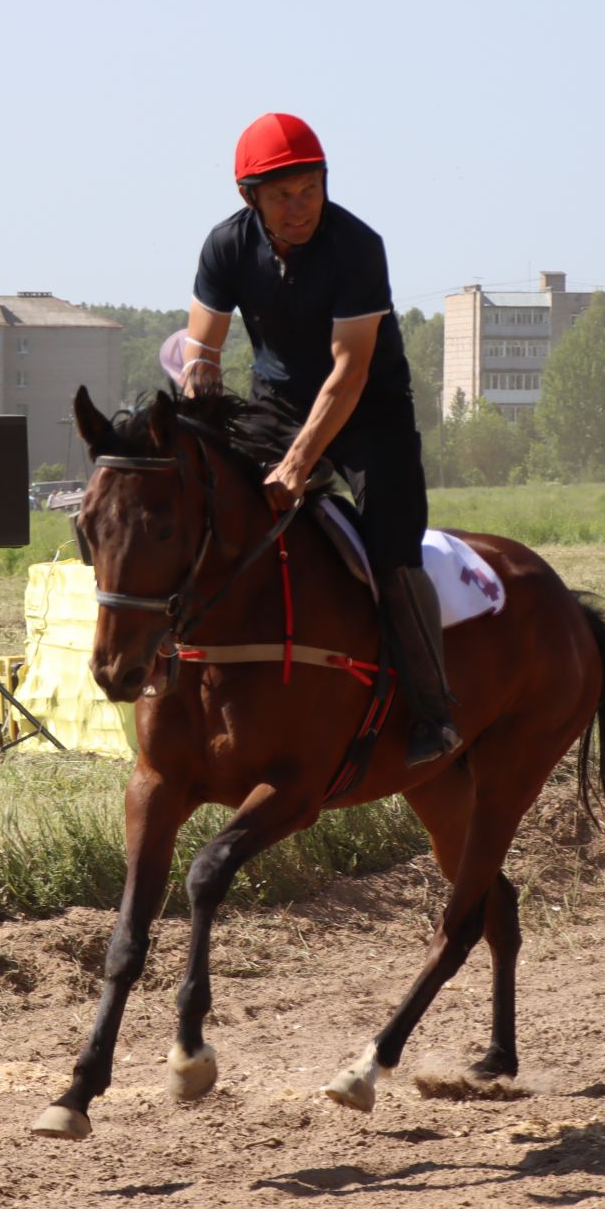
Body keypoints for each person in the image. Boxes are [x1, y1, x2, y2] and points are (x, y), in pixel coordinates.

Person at [183, 112, 460, 767]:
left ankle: (433, 709)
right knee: (219, 514)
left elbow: (350, 372)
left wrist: (298, 463)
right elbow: (201, 352)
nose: (299, 207)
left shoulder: (358, 246)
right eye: (282, 196)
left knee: (392, 550)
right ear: (248, 197)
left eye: (310, 190)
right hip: (276, 402)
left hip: (370, 411)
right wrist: (198, 421)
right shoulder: (225, 247)